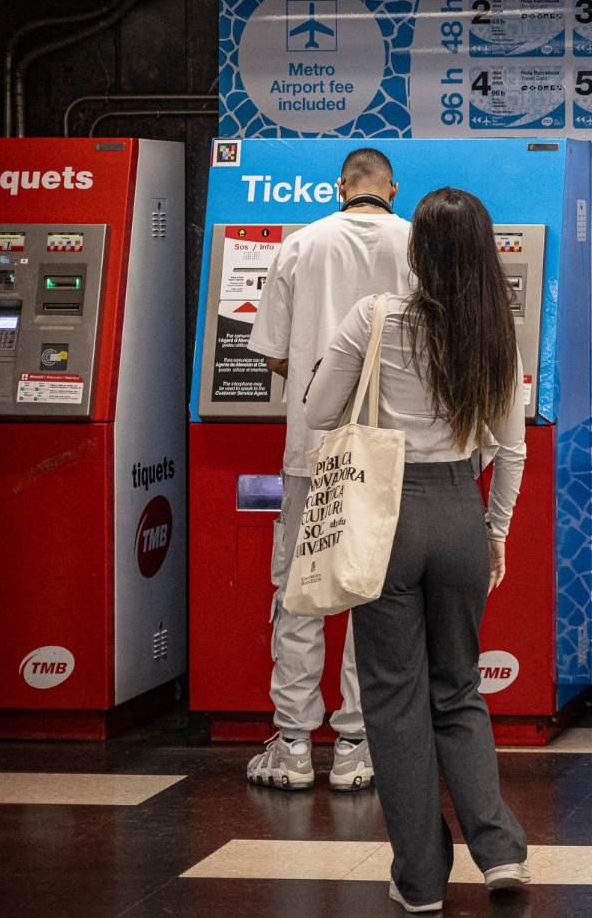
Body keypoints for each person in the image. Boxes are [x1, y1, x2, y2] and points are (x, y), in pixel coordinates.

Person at [305, 187, 531, 910]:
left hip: (384, 517)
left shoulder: (375, 317)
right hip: (460, 512)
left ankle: (423, 880)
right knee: (459, 690)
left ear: (417, 250)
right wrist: (493, 532)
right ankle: (498, 855)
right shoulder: (500, 336)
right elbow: (513, 449)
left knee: (396, 701)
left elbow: (316, 411)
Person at [243, 146, 409, 792]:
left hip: (311, 449)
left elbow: (274, 354)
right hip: (385, 454)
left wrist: (323, 385)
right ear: (391, 188)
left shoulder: (300, 244)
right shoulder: (414, 242)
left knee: (301, 592)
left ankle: (290, 744)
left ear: (341, 187)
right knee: (371, 593)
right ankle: (354, 747)